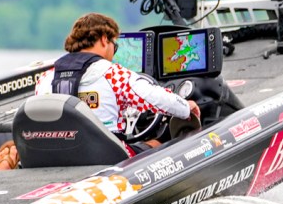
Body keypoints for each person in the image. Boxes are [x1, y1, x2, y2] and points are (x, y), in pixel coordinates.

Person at [34, 12, 200, 154]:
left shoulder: (45, 78)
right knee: (159, 142)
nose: (114, 51)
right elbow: (155, 97)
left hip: (56, 155)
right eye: (115, 45)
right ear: (104, 39)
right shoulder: (112, 74)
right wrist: (186, 107)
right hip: (103, 156)